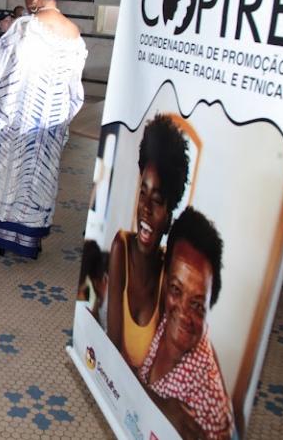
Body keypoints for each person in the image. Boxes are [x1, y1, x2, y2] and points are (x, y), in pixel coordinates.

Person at [0, 0, 86, 256]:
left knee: (8, 178)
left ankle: (0, 239)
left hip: (17, 121)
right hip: (48, 126)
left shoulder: (25, 28)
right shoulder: (75, 34)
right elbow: (74, 90)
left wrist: (1, 37)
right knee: (38, 180)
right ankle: (29, 243)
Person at [138, 207, 234, 440]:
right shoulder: (161, 321)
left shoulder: (205, 402)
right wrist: (159, 404)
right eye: (176, 289)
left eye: (197, 305)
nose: (182, 314)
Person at [107, 114, 190, 369]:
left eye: (156, 201)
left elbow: (162, 365)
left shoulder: (169, 274)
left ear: (169, 215)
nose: (145, 208)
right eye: (143, 193)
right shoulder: (121, 247)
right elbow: (112, 349)